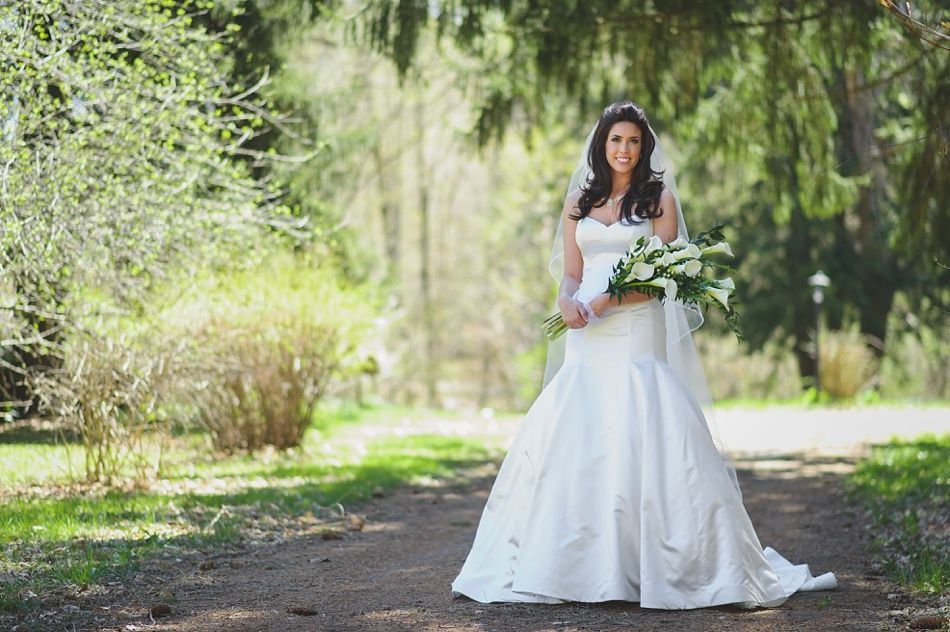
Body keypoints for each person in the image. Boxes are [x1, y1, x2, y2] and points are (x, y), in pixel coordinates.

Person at [450, 100, 837, 609]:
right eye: (616, 140)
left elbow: (665, 280)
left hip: (634, 330)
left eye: (633, 141)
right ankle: (572, 564)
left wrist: (611, 298)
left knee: (642, 424)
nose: (624, 150)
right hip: (586, 332)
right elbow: (571, 270)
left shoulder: (659, 201)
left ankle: (652, 565)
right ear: (601, 144)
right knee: (579, 429)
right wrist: (568, 303)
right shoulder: (577, 202)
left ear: (644, 146)